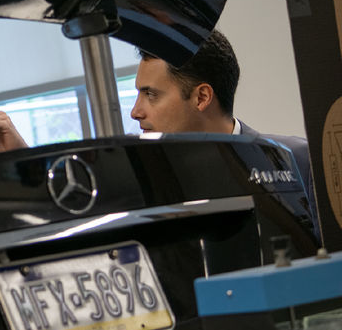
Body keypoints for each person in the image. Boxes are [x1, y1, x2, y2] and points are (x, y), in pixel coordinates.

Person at [130, 29, 319, 238]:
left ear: (201, 97)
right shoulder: (148, 187)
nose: (135, 112)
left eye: (150, 94)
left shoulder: (300, 162)